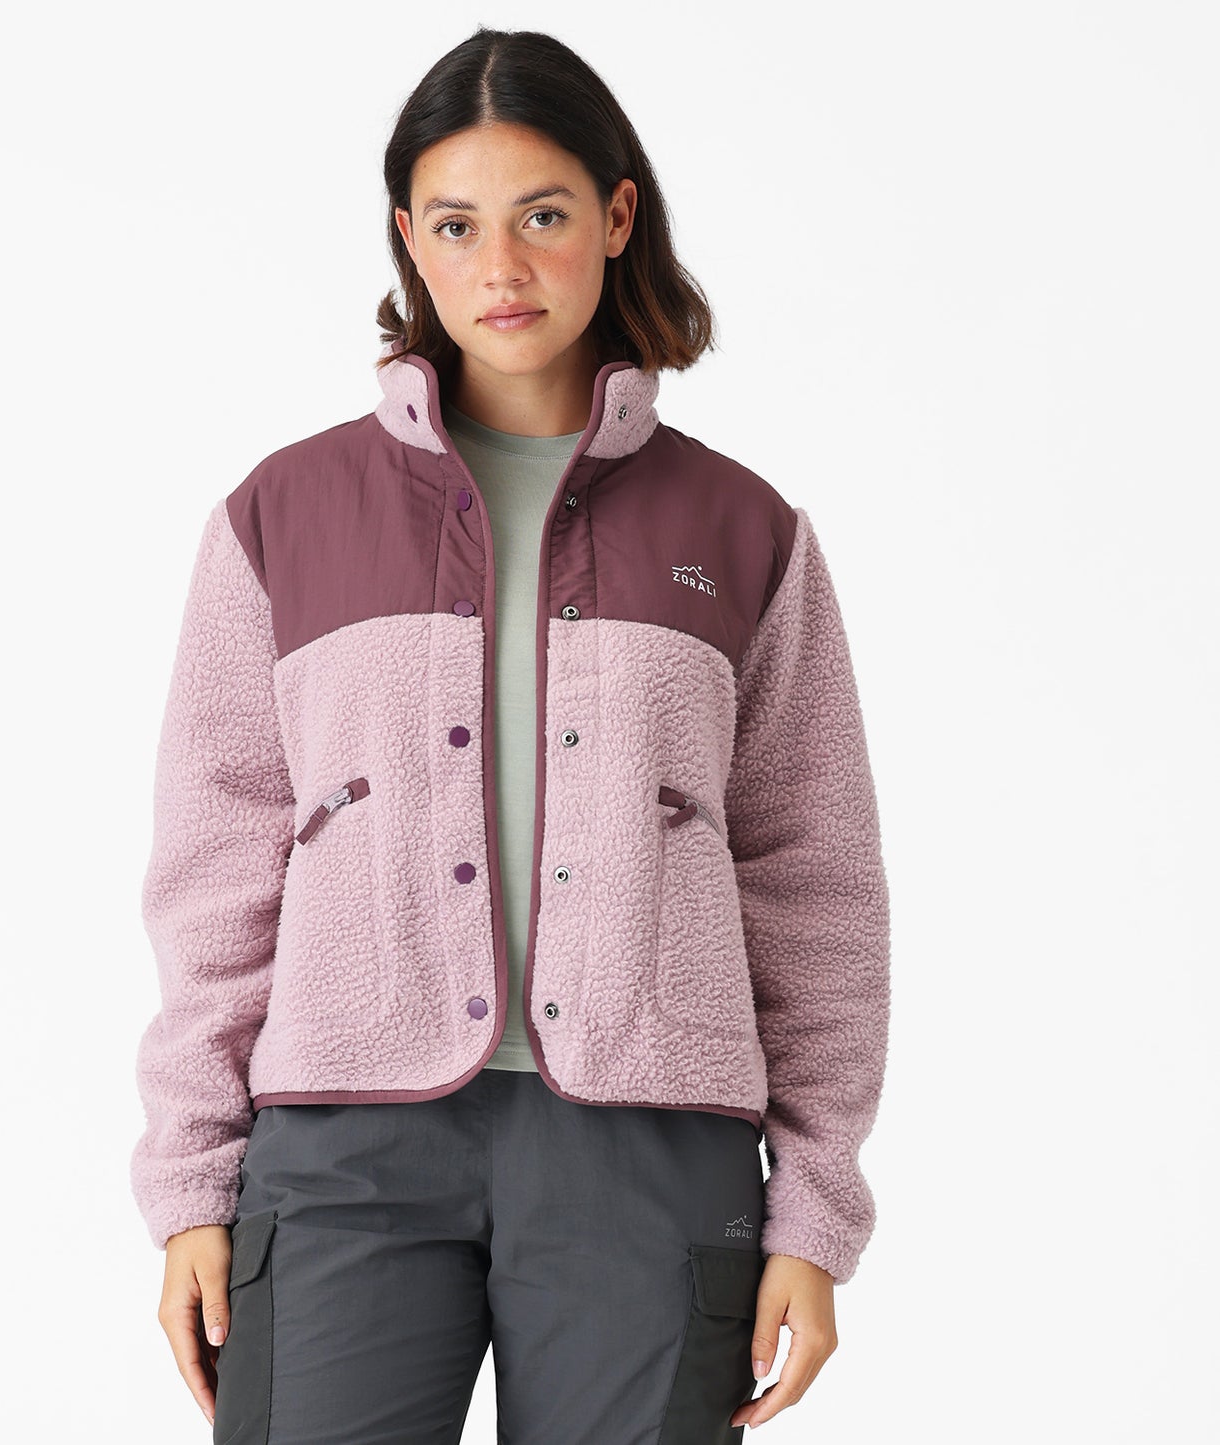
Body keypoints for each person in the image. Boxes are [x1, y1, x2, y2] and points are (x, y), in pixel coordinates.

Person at [131, 25, 891, 1445]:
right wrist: (189, 1183)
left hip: (652, 1149)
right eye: (456, 224)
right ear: (406, 240)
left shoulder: (744, 530)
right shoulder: (281, 518)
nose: (502, 267)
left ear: (616, 216)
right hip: (341, 1145)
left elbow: (815, 885)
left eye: (542, 216)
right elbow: (214, 871)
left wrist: (814, 1209)